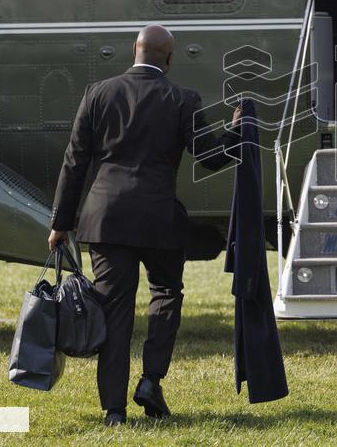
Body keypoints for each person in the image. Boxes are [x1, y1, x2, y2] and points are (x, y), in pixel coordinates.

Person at [47, 24, 242, 426]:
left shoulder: (96, 94)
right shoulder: (182, 99)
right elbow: (210, 158)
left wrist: (60, 223)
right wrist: (237, 129)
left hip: (106, 219)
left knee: (114, 310)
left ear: (133, 51)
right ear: (168, 59)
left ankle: (114, 411)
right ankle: (151, 380)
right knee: (167, 291)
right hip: (159, 219)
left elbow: (75, 162)